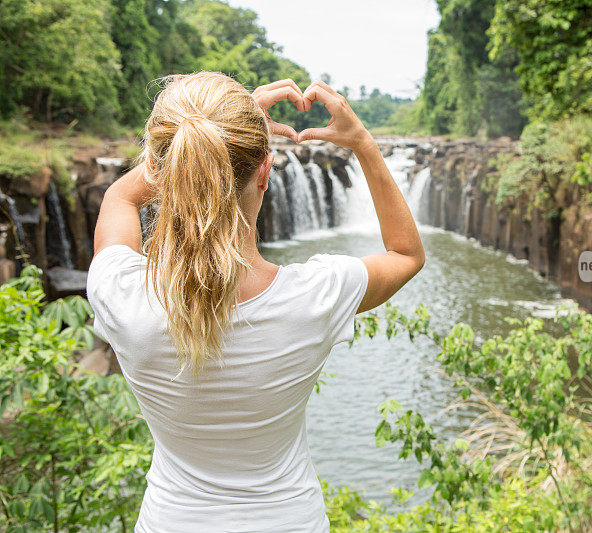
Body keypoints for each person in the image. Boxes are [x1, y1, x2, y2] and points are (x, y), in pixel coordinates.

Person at [86, 72, 425, 532]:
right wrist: (362, 142)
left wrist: (199, 134)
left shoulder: (123, 295)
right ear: (265, 171)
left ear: (163, 172)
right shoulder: (316, 296)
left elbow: (117, 199)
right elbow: (406, 253)